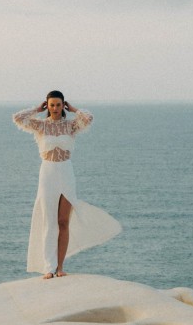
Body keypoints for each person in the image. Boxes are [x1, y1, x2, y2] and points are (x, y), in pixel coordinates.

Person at [13, 90, 121, 279]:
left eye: (58, 105)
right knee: (49, 222)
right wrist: (37, 109)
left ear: (63, 105)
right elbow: (18, 118)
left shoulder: (71, 126)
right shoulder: (41, 126)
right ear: (48, 106)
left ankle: (60, 266)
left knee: (63, 222)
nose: (55, 108)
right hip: (47, 173)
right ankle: (48, 267)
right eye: (52, 105)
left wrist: (74, 109)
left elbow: (88, 118)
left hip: (66, 172)